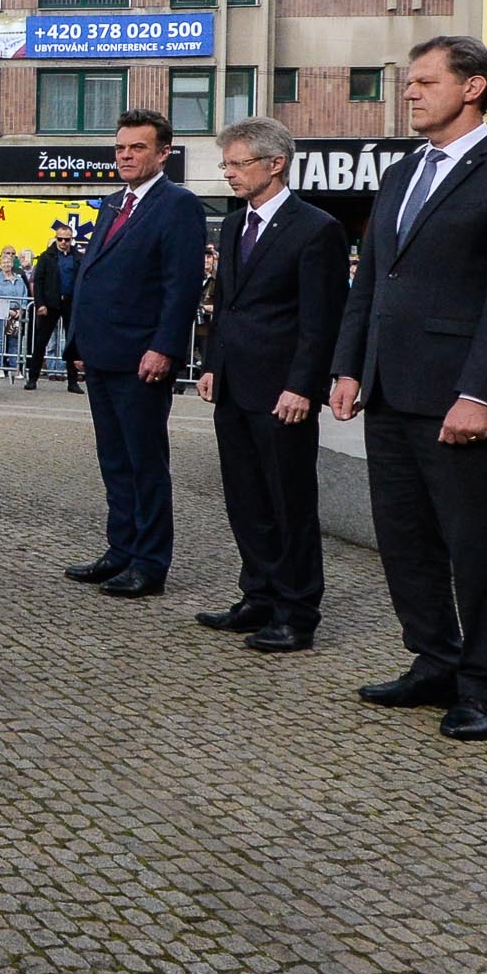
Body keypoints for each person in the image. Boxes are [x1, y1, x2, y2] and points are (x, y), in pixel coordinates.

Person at [329, 35, 487, 742]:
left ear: (474, 88)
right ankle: (433, 658)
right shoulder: (402, 173)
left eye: (426, 80)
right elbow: (372, 278)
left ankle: (483, 683)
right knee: (405, 539)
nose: (410, 92)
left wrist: (481, 393)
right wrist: (347, 365)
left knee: (476, 543)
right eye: (408, 82)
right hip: (390, 389)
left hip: (460, 396)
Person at [192, 118, 349, 653]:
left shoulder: (317, 228)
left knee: (289, 502)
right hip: (235, 385)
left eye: (238, 164)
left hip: (284, 391)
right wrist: (212, 363)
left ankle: (296, 610)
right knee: (245, 498)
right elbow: (226, 306)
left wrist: (304, 386)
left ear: (275, 163)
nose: (229, 174)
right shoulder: (235, 226)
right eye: (227, 164)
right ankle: (257, 594)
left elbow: (320, 318)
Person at [61, 109, 205, 600]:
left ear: (163, 153)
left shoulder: (178, 206)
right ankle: (120, 550)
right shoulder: (111, 203)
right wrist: (78, 341)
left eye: (137, 148)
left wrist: (164, 347)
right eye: (120, 147)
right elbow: (91, 276)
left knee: (144, 462)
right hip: (102, 354)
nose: (125, 155)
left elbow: (179, 287)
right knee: (114, 460)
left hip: (142, 357)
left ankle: (149, 562)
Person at [25, 221, 82, 392]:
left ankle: (72, 381)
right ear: (55, 239)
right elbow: (38, 282)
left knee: (71, 343)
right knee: (41, 341)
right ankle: (32, 378)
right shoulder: (46, 257)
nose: (63, 242)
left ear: (71, 239)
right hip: (50, 304)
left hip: (70, 303)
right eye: (60, 239)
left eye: (67, 239)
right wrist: (40, 304)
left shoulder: (78, 257)